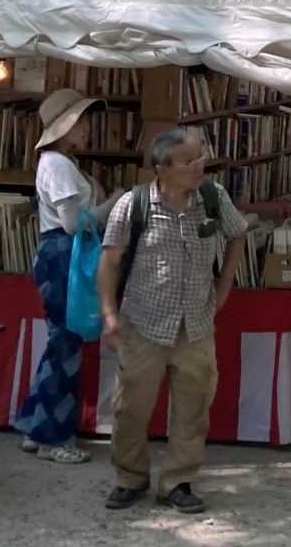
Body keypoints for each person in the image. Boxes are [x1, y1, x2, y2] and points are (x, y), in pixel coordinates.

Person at [97, 128, 248, 514]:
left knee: (193, 409)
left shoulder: (213, 199)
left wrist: (225, 285)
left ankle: (178, 482)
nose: (199, 166)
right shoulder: (133, 206)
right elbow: (110, 261)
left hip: (196, 324)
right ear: (161, 169)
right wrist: (109, 315)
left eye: (200, 157)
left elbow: (238, 234)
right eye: (187, 161)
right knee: (130, 407)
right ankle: (130, 477)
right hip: (143, 323)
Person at [14, 89, 100, 464]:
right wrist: (113, 206)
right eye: (80, 121)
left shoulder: (54, 162)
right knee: (65, 346)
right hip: (64, 255)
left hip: (54, 255)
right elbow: (71, 224)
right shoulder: (60, 165)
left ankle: (38, 425)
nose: (87, 127)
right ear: (65, 127)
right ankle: (53, 437)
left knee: (58, 344)